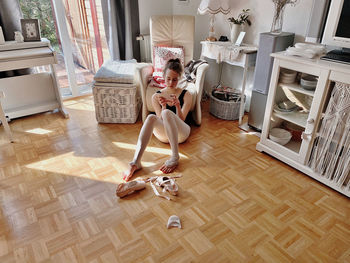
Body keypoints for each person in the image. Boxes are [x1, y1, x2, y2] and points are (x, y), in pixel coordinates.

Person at [123, 58, 192, 181]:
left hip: (182, 134)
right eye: (168, 79)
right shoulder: (156, 96)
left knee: (166, 113)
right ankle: (136, 162)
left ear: (180, 78)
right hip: (165, 135)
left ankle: (175, 157)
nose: (171, 83)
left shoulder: (186, 94)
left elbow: (182, 119)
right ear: (163, 77)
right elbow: (160, 120)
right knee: (151, 117)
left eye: (175, 79)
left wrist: (177, 105)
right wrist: (164, 105)